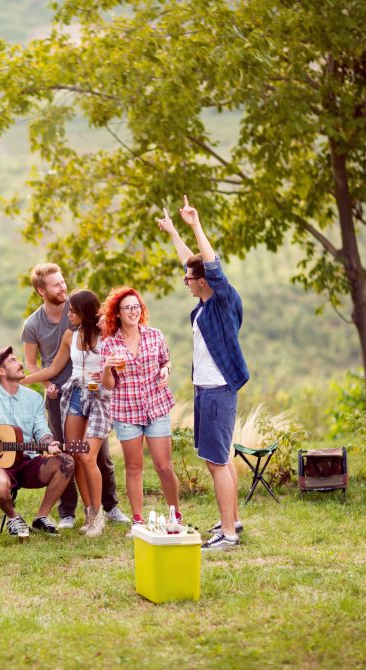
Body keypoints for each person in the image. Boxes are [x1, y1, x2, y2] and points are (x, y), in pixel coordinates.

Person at [157, 195, 250, 551]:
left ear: (204, 281)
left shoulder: (223, 301)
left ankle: (227, 536)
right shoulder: (204, 304)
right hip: (205, 390)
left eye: (189, 279)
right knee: (222, 457)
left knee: (215, 463)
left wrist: (195, 225)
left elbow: (209, 265)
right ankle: (233, 521)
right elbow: (191, 262)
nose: (186, 281)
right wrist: (173, 233)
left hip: (217, 389)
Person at [21, 263, 127, 529]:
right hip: (72, 395)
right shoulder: (62, 332)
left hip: (99, 398)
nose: (64, 290)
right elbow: (52, 367)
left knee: (93, 456)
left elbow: (122, 348)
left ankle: (105, 509)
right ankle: (86, 513)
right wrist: (19, 380)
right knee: (76, 454)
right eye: (57, 284)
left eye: (74, 310)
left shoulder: (105, 333)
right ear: (41, 290)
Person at [0, 346, 75, 537]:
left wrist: (49, 441)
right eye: (13, 361)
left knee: (67, 462)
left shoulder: (34, 398)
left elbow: (41, 431)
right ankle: (14, 518)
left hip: (28, 460)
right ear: (1, 372)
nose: (20, 363)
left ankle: (41, 518)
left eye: (17, 359)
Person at [100, 286, 180, 534]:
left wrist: (166, 370)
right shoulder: (109, 345)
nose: (133, 311)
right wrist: (106, 368)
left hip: (156, 407)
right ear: (118, 313)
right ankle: (137, 519)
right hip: (127, 411)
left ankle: (174, 514)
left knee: (164, 466)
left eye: (137, 306)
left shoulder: (155, 335)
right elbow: (109, 385)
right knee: (134, 468)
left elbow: (165, 361)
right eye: (127, 308)